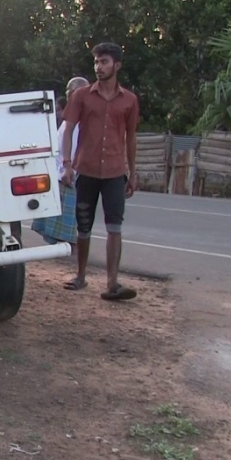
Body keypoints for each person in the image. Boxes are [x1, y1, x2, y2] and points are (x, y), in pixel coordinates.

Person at [60, 43, 139, 301]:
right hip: (87, 169)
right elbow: (69, 129)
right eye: (96, 62)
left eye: (104, 62)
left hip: (115, 171)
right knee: (83, 226)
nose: (99, 67)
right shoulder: (81, 95)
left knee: (114, 226)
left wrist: (133, 172)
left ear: (116, 65)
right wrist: (67, 163)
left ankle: (112, 283)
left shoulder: (129, 100)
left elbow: (131, 137)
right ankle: (80, 275)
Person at [32, 77, 90, 247]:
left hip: (70, 173)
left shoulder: (82, 118)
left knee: (70, 218)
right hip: (63, 172)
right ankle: (64, 248)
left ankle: (69, 248)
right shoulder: (71, 119)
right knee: (61, 219)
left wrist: (69, 167)